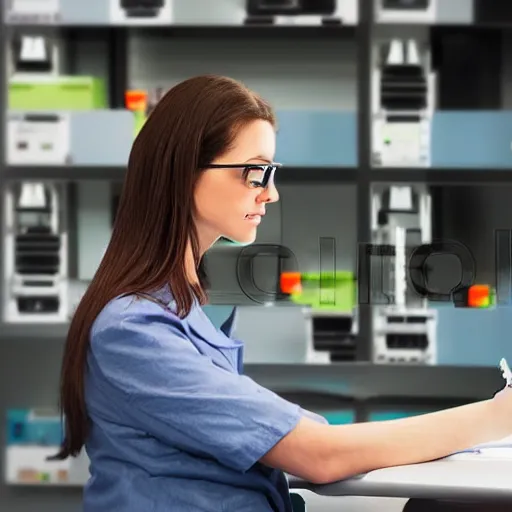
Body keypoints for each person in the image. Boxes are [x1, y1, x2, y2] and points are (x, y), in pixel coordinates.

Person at [55, 74, 512, 512]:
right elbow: (320, 455)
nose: (270, 194)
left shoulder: (180, 308)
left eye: (271, 172)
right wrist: (497, 417)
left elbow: (300, 437)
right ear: (184, 171)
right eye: (255, 172)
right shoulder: (133, 331)